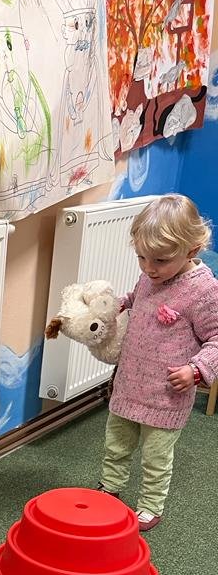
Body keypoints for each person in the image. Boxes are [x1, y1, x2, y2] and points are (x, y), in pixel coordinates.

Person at [98, 193, 218, 531]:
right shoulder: (150, 277)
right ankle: (110, 487)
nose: (149, 268)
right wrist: (118, 304)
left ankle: (151, 504)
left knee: (156, 457)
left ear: (192, 250)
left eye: (160, 260)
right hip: (128, 385)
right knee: (116, 444)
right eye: (141, 257)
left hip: (166, 396)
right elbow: (137, 298)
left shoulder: (204, 291)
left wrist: (196, 369)